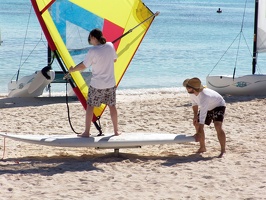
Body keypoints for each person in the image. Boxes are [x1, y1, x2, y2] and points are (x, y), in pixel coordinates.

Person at [68, 28, 119, 137]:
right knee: (112, 106)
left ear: (94, 38)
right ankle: (116, 131)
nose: (90, 41)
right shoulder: (110, 46)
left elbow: (83, 66)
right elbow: (115, 60)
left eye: (90, 39)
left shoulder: (93, 51)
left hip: (97, 85)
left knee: (90, 106)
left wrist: (72, 70)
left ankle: (86, 132)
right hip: (110, 83)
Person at [183, 77, 226, 158]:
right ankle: (202, 147)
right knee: (197, 124)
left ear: (191, 88)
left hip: (218, 105)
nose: (186, 89)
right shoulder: (192, 93)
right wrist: (195, 116)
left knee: (217, 126)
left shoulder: (204, 96)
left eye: (187, 87)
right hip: (207, 106)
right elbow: (194, 104)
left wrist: (199, 132)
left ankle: (223, 150)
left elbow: (202, 116)